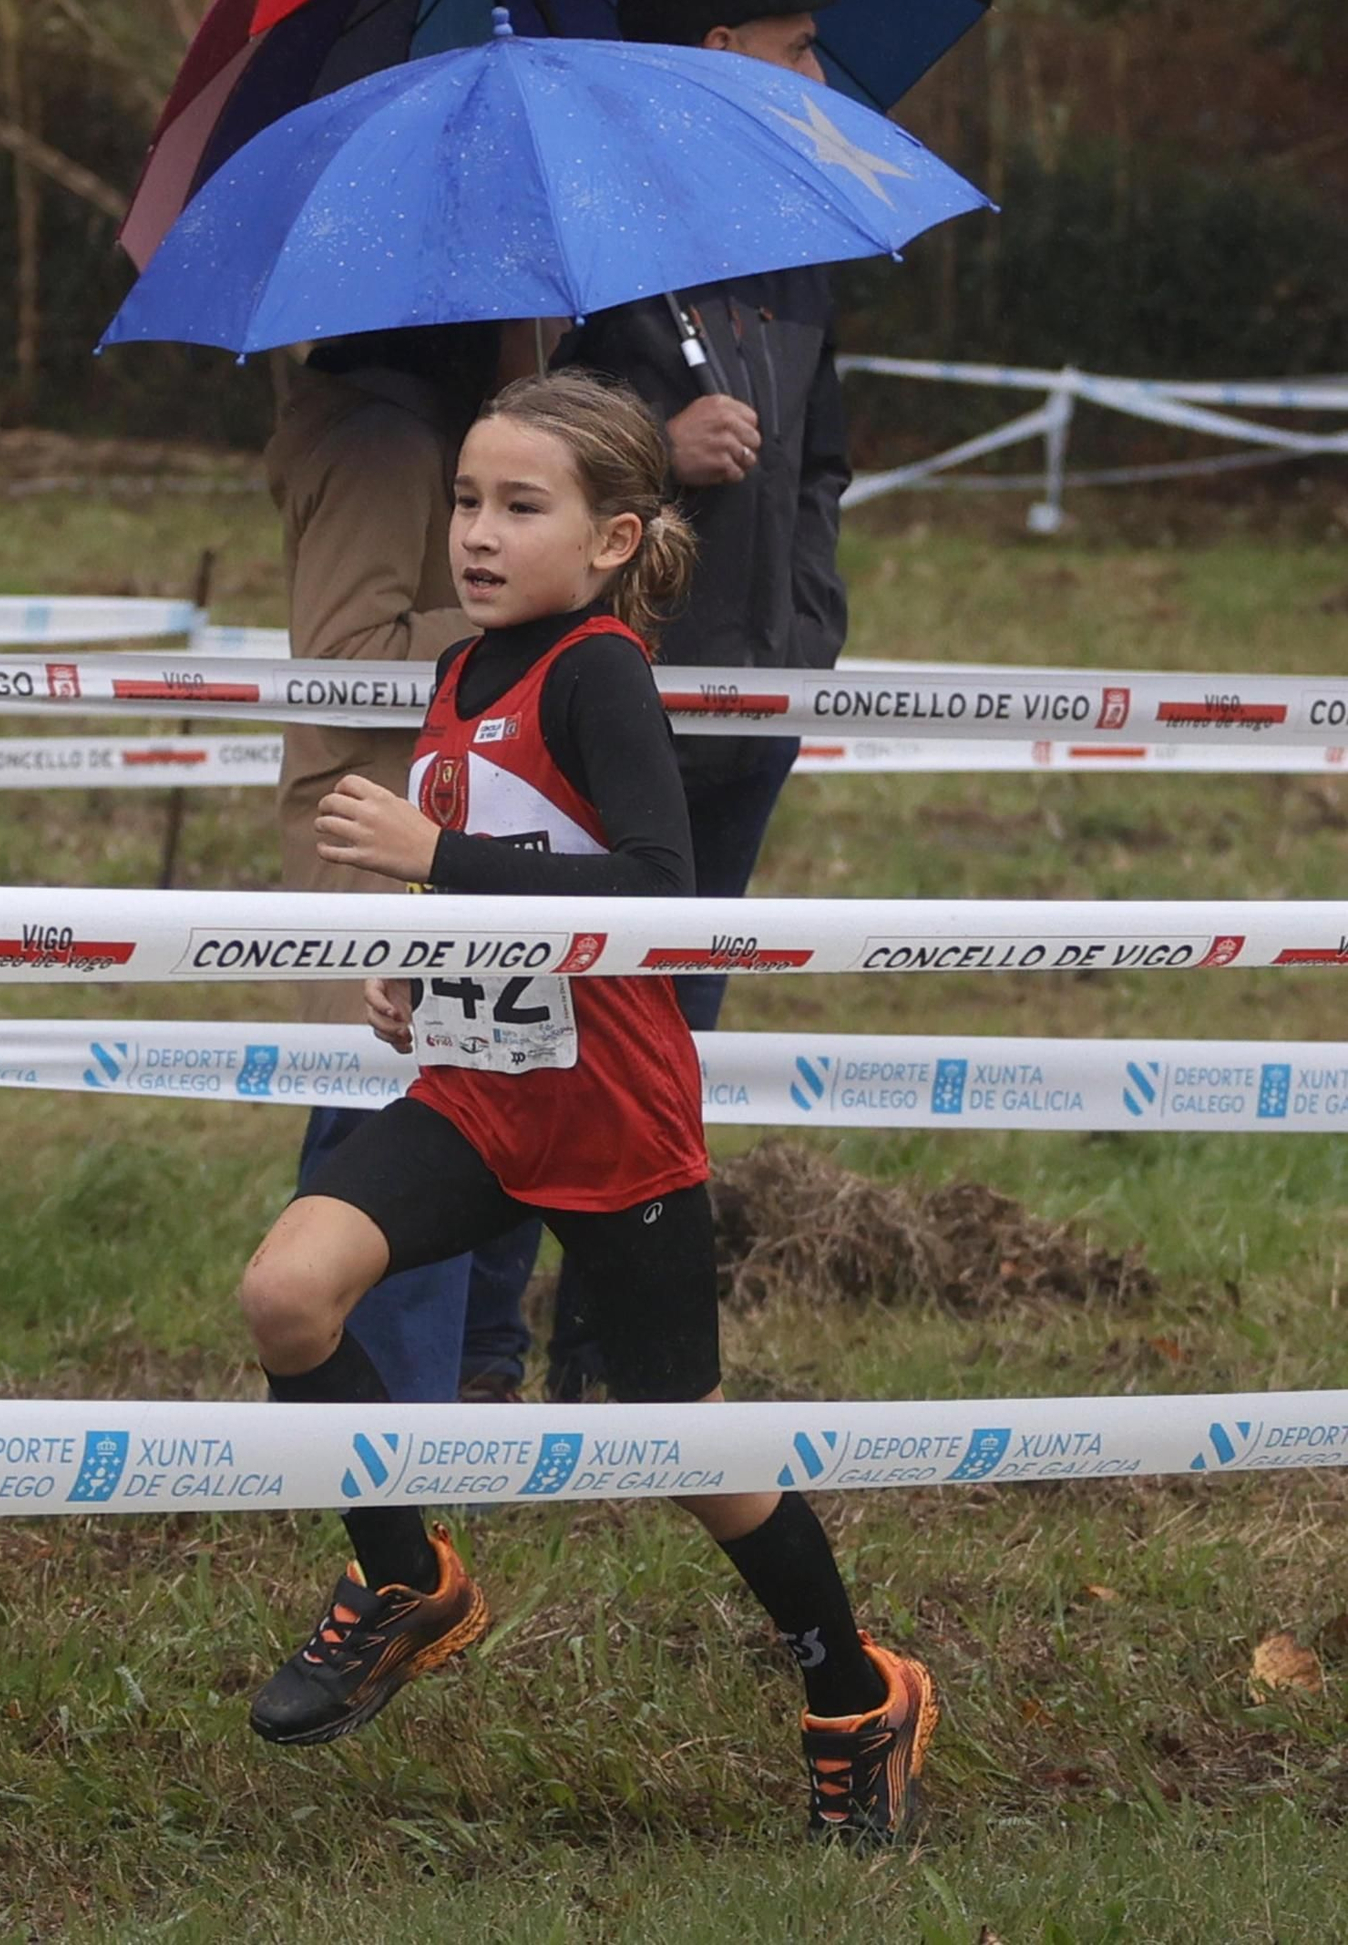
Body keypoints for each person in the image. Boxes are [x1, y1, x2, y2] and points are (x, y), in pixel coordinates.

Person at [240, 371, 937, 1848]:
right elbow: (498, 889)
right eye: (464, 501)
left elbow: (653, 896)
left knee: (690, 1448)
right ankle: (411, 1578)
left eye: (519, 506)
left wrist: (434, 861)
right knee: (288, 1297)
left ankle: (854, 1688)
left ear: (615, 537)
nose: (477, 534)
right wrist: (419, 975)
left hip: (612, 1122)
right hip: (474, 1099)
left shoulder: (599, 671)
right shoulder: (461, 673)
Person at [546, 0, 854, 1399]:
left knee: (680, 1032)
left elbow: (820, 467)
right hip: (623, 705)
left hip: (760, 706)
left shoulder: (798, 255)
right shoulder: (588, 247)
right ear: (724, 52)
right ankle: (526, 1346)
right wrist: (653, 455)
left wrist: (808, 634)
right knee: (573, 1023)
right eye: (800, 46)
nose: (819, 74)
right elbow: (528, 463)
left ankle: (638, 1363)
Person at [267, 326, 538, 1401]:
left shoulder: (414, 433)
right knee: (386, 1133)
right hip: (376, 831)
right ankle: (380, 1439)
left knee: (451, 1117)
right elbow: (343, 660)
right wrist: (515, 612)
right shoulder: (382, 442)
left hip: (423, 820)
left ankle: (441, 1399)